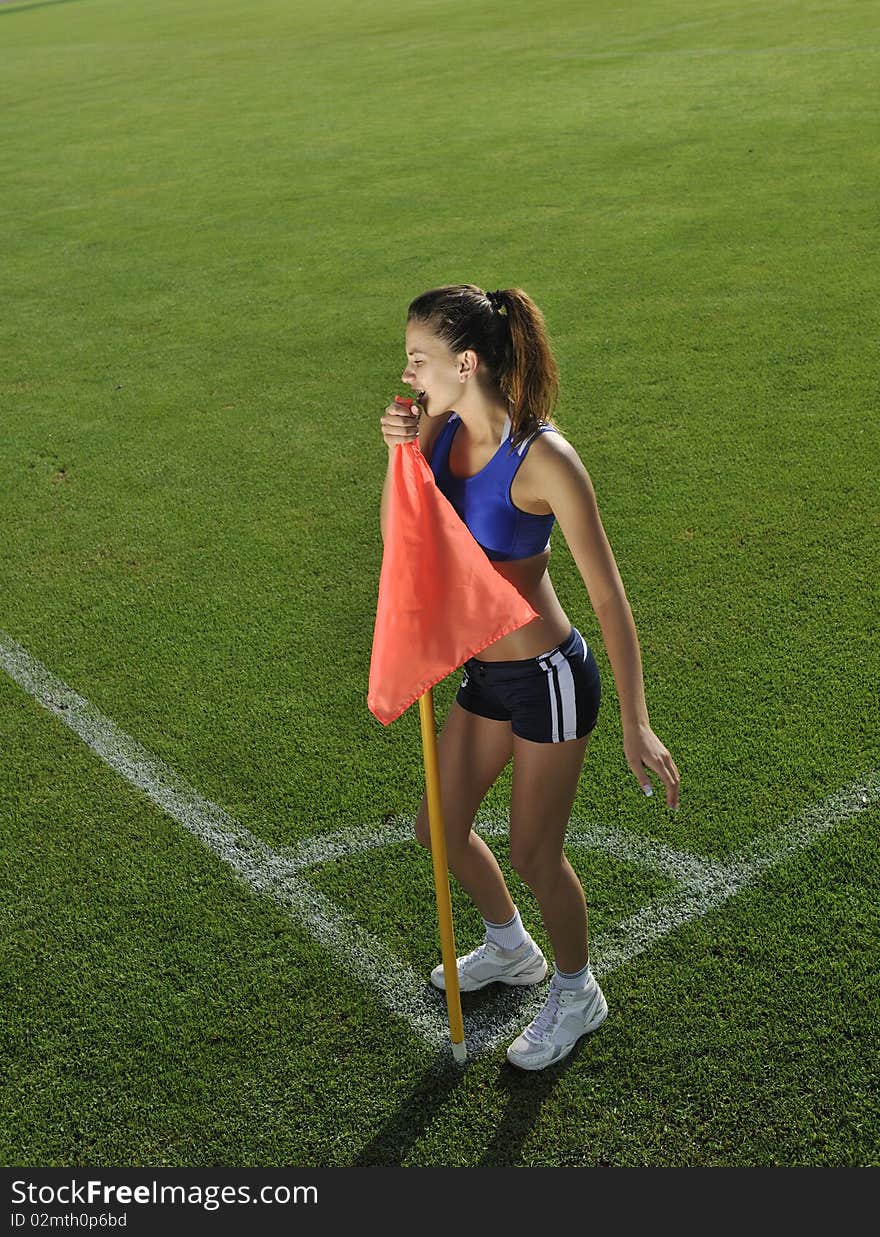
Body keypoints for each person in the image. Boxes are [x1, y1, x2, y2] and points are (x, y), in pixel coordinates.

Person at [379, 284, 680, 1071]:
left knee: (535, 853)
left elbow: (609, 598)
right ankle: (512, 948)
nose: (408, 371)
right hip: (484, 669)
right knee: (436, 828)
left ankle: (578, 991)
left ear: (466, 361)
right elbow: (402, 540)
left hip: (547, 676)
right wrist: (400, 453)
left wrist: (636, 720)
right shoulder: (438, 431)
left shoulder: (544, 457)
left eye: (419, 358)